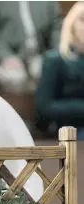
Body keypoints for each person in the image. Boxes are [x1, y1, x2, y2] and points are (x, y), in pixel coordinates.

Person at [0, 1, 63, 92]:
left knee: (53, 72)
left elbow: (57, 24)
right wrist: (4, 55)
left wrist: (56, 55)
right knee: (14, 78)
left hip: (37, 57)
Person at [35, 2, 84, 139]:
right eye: (83, 20)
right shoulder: (55, 60)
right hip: (68, 131)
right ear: (72, 25)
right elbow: (44, 107)